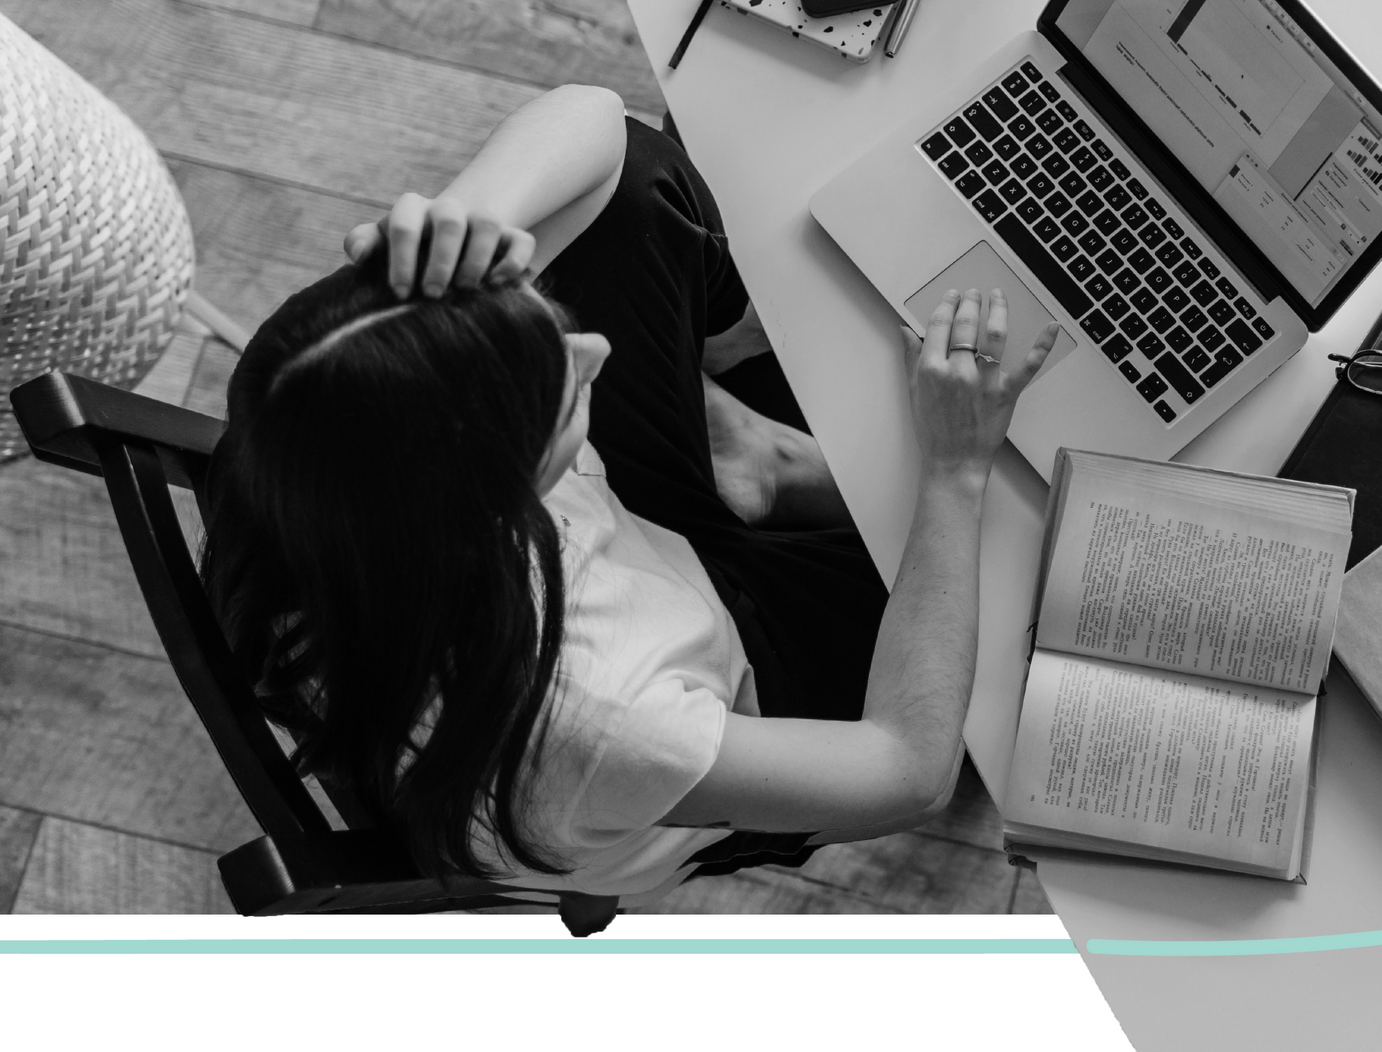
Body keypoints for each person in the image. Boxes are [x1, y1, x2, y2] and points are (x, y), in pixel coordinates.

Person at [200, 84, 1057, 905]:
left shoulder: (312, 408)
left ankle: (750, 465)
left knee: (640, 184)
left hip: (617, 567)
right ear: (506, 506)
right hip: (717, 694)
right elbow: (906, 772)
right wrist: (953, 467)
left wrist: (473, 214)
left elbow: (599, 127)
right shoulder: (606, 719)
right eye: (563, 388)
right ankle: (766, 473)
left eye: (538, 319)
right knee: (1022, 582)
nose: (597, 352)